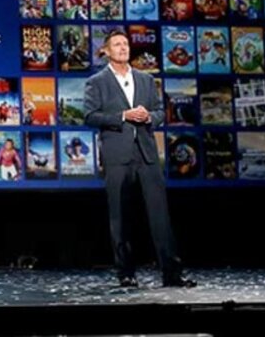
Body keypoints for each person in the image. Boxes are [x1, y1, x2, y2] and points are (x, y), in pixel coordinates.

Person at [84, 29, 196, 288]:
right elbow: (90, 116)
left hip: (146, 153)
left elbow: (160, 112)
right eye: (117, 44)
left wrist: (149, 117)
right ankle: (126, 273)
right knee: (120, 215)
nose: (123, 48)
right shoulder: (97, 82)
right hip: (117, 154)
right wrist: (123, 116)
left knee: (160, 215)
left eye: (125, 43)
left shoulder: (146, 80)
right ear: (106, 51)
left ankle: (172, 273)